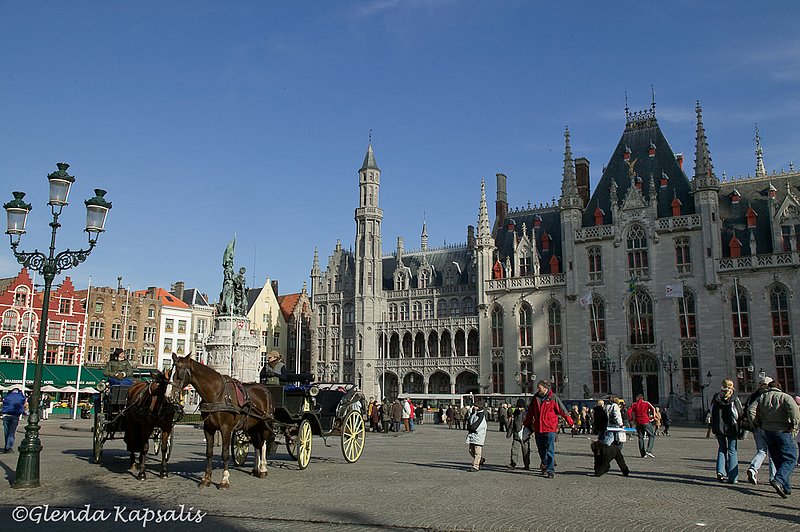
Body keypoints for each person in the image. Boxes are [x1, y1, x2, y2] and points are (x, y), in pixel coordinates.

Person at [747, 380, 800, 498]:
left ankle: (786, 488)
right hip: (783, 430)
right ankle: (779, 480)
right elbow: (795, 412)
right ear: (780, 388)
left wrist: (757, 423)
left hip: (767, 431)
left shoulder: (762, 397)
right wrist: (794, 427)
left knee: (777, 458)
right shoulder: (785, 397)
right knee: (791, 459)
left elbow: (751, 410)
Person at [523, 380, 573, 478]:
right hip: (538, 428)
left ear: (545, 388)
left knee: (550, 449)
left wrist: (571, 423)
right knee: (541, 450)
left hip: (550, 428)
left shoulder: (553, 398)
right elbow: (530, 413)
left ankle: (550, 470)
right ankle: (545, 464)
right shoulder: (535, 398)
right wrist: (526, 424)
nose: (537, 389)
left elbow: (563, 411)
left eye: (539, 387)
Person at [744, 376, 776, 485]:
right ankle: (773, 477)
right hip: (768, 426)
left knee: (761, 451)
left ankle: (753, 469)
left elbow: (747, 411)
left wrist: (754, 423)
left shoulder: (752, 396)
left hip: (756, 427)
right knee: (772, 452)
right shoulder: (768, 396)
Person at [710, 379, 744, 484]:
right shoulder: (734, 398)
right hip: (731, 427)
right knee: (732, 450)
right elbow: (737, 414)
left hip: (718, 427)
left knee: (722, 449)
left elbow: (711, 411)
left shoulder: (716, 397)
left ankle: (720, 471)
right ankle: (733, 477)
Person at [590, 398, 629, 477]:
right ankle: (624, 470)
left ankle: (601, 469)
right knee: (614, 444)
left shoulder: (606, 407)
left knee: (607, 444)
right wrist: (621, 424)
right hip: (614, 427)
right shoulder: (615, 407)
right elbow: (617, 416)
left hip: (607, 428)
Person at [627, 394, 656, 458]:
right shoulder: (646, 403)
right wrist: (653, 417)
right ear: (642, 398)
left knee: (640, 437)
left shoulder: (634, 404)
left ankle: (643, 454)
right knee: (651, 435)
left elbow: (628, 412)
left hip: (638, 422)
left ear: (637, 398)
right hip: (645, 421)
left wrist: (631, 419)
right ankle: (649, 450)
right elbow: (653, 409)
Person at [506, 399, 530, 470]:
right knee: (514, 450)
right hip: (516, 434)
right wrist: (509, 433)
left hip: (525, 435)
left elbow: (531, 423)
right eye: (518, 407)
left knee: (526, 451)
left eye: (521, 407)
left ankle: (527, 464)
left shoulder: (527, 413)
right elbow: (512, 423)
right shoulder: (515, 412)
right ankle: (513, 463)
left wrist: (531, 432)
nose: (519, 408)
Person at [2, 387, 27, 453]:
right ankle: (8, 447)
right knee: (11, 432)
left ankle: (6, 446)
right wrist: (23, 412)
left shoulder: (8, 396)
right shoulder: (20, 396)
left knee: (6, 431)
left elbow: (4, 403)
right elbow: (22, 404)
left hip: (6, 415)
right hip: (15, 416)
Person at [465, 401, 487, 472]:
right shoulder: (474, 414)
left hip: (478, 436)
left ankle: (476, 466)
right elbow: (469, 421)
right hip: (473, 435)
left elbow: (476, 426)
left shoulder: (481, 415)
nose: (473, 407)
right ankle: (480, 459)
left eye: (475, 406)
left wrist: (471, 428)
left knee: (477, 452)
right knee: (471, 451)